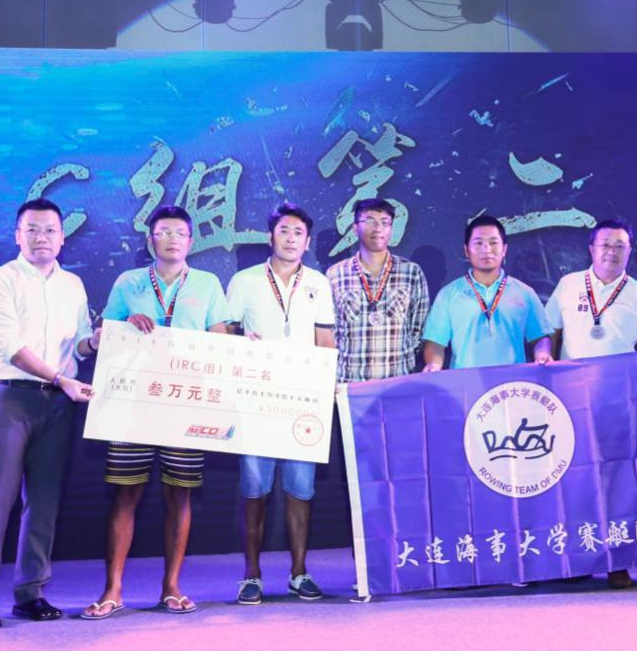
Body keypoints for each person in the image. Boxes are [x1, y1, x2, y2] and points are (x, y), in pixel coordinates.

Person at [81, 206, 230, 620]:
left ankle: (172, 586)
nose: (172, 239)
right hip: (133, 403)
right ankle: (112, 589)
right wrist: (127, 322)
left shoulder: (207, 283)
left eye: (180, 233)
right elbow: (104, 336)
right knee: (125, 493)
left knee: (179, 494)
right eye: (164, 232)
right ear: (150, 241)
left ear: (191, 242)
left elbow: (220, 338)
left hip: (185, 401)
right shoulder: (128, 283)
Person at [0, 198, 97, 630]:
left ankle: (30, 593)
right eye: (33, 230)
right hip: (10, 399)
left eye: (51, 230)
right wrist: (60, 378)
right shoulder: (1, 280)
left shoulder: (73, 284)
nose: (42, 238)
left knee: (44, 500)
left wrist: (94, 342)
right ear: (18, 235)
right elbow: (8, 347)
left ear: (63, 237)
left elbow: (78, 344)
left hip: (58, 403)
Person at [225, 203, 337, 605]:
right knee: (254, 488)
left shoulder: (318, 283)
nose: (291, 239)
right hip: (255, 399)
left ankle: (299, 572)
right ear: (270, 236)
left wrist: (326, 389)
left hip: (302, 400)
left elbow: (325, 341)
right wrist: (241, 342)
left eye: (298, 233)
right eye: (284, 231)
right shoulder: (245, 281)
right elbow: (224, 334)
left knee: (301, 489)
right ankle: (251, 575)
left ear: (308, 242)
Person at [544, 218, 637, 589]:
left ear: (630, 251)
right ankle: (578, 558)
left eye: (620, 246)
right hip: (571, 399)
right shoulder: (568, 285)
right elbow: (550, 335)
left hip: (618, 402)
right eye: (605, 244)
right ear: (591, 249)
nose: (612, 252)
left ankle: (617, 561)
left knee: (617, 482)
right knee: (574, 479)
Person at [423, 215, 553, 372]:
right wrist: (434, 364)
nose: (486, 250)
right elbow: (435, 343)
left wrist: (542, 353)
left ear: (504, 249)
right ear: (466, 250)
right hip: (464, 383)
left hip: (513, 382)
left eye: (493, 243)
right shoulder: (448, 295)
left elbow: (540, 337)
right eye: (478, 243)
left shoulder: (525, 293)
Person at [327, 197, 430, 383]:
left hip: (397, 383)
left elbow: (418, 330)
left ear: (391, 229)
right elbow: (331, 332)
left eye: (384, 222)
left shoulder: (411, 273)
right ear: (355, 228)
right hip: (349, 383)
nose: (378, 228)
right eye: (370, 221)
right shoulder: (335, 274)